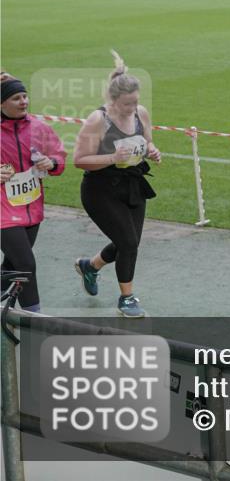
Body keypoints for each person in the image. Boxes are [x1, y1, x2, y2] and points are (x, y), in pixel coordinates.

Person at [72, 51, 160, 318]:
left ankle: (90, 266)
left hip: (132, 185)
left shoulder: (140, 113)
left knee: (129, 243)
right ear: (112, 100)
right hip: (100, 190)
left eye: (135, 102)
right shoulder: (98, 120)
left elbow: (147, 141)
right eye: (126, 104)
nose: (132, 108)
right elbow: (79, 160)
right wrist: (112, 157)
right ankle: (127, 298)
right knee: (129, 243)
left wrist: (153, 151)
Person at [1, 77, 67, 312]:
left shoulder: (39, 128)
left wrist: (52, 162)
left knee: (12, 263)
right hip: (3, 212)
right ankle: (33, 319)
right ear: (1, 104)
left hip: (31, 207)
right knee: (26, 264)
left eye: (25, 96)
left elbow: (60, 157)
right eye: (16, 98)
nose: (23, 102)